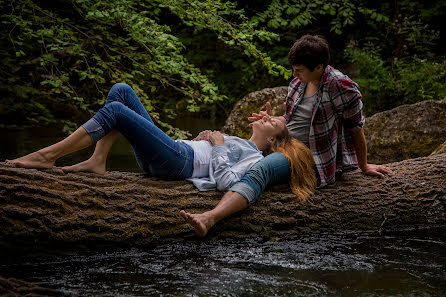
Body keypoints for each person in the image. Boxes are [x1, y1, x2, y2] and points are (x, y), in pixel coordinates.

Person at [180, 34, 392, 236]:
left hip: (309, 155)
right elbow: (294, 119)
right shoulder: (299, 82)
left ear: (319, 67)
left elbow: (357, 127)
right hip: (282, 142)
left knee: (259, 170)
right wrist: (274, 122)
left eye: (299, 70)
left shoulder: (340, 86)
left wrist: (363, 165)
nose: (294, 75)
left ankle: (210, 218)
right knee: (225, 145)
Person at [6, 83, 316, 194]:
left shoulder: (254, 158)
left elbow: (225, 182)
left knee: (115, 110)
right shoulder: (242, 141)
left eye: (274, 121)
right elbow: (209, 156)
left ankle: (46, 157)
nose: (268, 117)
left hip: (176, 163)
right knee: (121, 91)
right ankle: (97, 160)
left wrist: (218, 145)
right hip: (177, 150)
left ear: (274, 143)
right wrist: (205, 140)